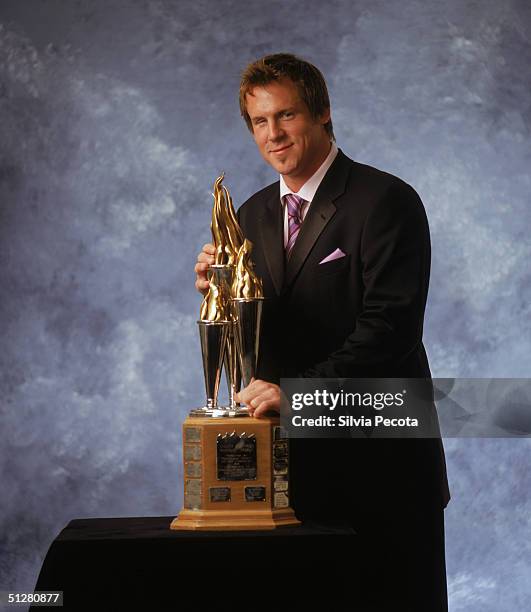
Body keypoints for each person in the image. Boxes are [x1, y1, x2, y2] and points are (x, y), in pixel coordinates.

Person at [195, 53, 450, 610]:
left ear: (323, 114)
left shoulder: (386, 200)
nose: (273, 134)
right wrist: (221, 299)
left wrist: (298, 394)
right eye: (260, 122)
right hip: (290, 473)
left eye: (286, 116)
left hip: (381, 471)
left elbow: (391, 328)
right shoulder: (252, 214)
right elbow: (264, 339)